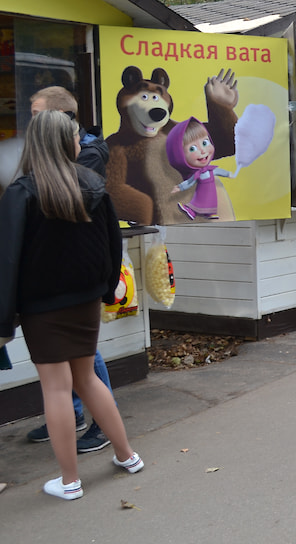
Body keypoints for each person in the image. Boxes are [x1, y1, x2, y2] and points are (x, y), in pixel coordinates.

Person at [0, 111, 144, 500]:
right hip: (84, 302)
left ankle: (69, 482)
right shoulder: (94, 184)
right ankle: (127, 456)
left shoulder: (21, 192)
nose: (82, 143)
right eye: (77, 137)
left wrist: (3, 321)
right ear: (65, 143)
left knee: (56, 388)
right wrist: (107, 287)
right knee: (87, 378)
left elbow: (8, 259)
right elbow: (112, 243)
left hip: (41, 307)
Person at [23, 86, 114, 454]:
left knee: (86, 362)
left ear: (61, 118)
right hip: (71, 281)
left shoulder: (86, 162)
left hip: (72, 282)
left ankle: (99, 424)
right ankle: (77, 414)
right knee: (78, 366)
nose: (33, 122)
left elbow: (70, 218)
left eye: (38, 114)